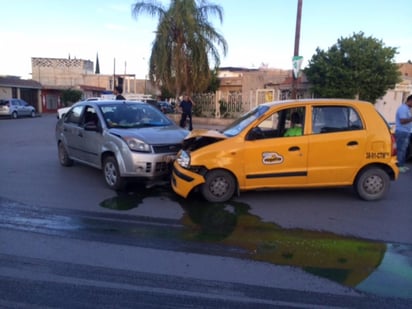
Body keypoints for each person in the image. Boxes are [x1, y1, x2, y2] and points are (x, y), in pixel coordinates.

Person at [395, 94, 412, 173]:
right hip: (402, 132)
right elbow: (402, 121)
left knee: (404, 149)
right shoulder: (403, 109)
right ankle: (398, 166)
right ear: (410, 101)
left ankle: (401, 165)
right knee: (401, 150)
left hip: (406, 132)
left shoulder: (407, 109)